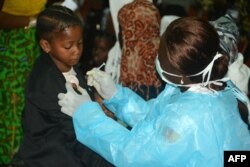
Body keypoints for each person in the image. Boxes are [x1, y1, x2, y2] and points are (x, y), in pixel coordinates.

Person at [58, 17, 250, 167]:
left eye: (160, 56)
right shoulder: (203, 88)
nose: (156, 59)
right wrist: (116, 96)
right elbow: (155, 123)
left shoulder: (189, 118)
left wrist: (85, 113)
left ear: (180, 73)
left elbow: (133, 154)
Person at [15, 5, 113, 167]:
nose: (76, 51)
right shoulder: (47, 83)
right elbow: (75, 135)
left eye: (80, 43)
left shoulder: (67, 65)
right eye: (68, 46)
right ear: (46, 45)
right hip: (49, 157)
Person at [0, 0, 47, 164]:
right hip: (12, 43)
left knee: (31, 101)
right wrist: (33, 21)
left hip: (34, 42)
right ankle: (8, 158)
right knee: (12, 103)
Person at [105, 0, 164, 100]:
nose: (119, 35)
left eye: (122, 29)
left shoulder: (135, 83)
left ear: (130, 33)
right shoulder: (165, 69)